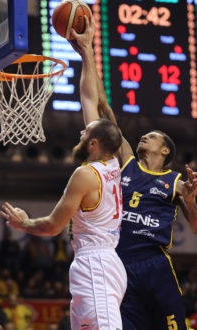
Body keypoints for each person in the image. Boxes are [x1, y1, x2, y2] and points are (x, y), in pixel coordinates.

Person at [69, 14, 197, 330]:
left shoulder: (175, 181)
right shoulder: (124, 162)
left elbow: (196, 228)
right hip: (120, 265)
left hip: (155, 265)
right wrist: (88, 53)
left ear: (165, 150)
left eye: (152, 135)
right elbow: (96, 105)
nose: (144, 136)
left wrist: (192, 202)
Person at [0, 69, 127, 327]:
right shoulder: (113, 161)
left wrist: (23, 223)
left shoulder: (85, 175)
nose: (81, 133)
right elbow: (90, 100)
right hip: (102, 262)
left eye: (85, 132)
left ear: (93, 144)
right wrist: (86, 52)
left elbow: (53, 226)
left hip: (95, 265)